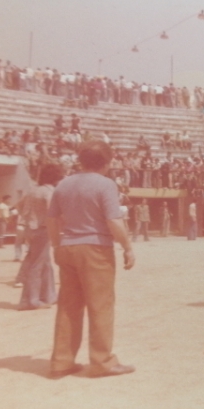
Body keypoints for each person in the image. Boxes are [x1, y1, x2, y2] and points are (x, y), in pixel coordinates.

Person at [46, 142, 136, 378]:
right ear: (106, 163)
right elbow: (114, 221)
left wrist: (57, 245)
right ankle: (102, 362)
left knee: (68, 306)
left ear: (81, 161)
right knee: (101, 305)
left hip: (67, 246)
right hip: (95, 249)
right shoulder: (106, 184)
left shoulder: (63, 184)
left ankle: (61, 361)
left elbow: (52, 220)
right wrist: (127, 247)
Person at [16, 164, 62, 311]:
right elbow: (52, 214)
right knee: (37, 264)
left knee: (45, 262)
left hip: (30, 228)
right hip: (42, 230)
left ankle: (49, 295)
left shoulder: (32, 190)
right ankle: (30, 300)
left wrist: (29, 218)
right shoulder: (49, 192)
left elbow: (18, 205)